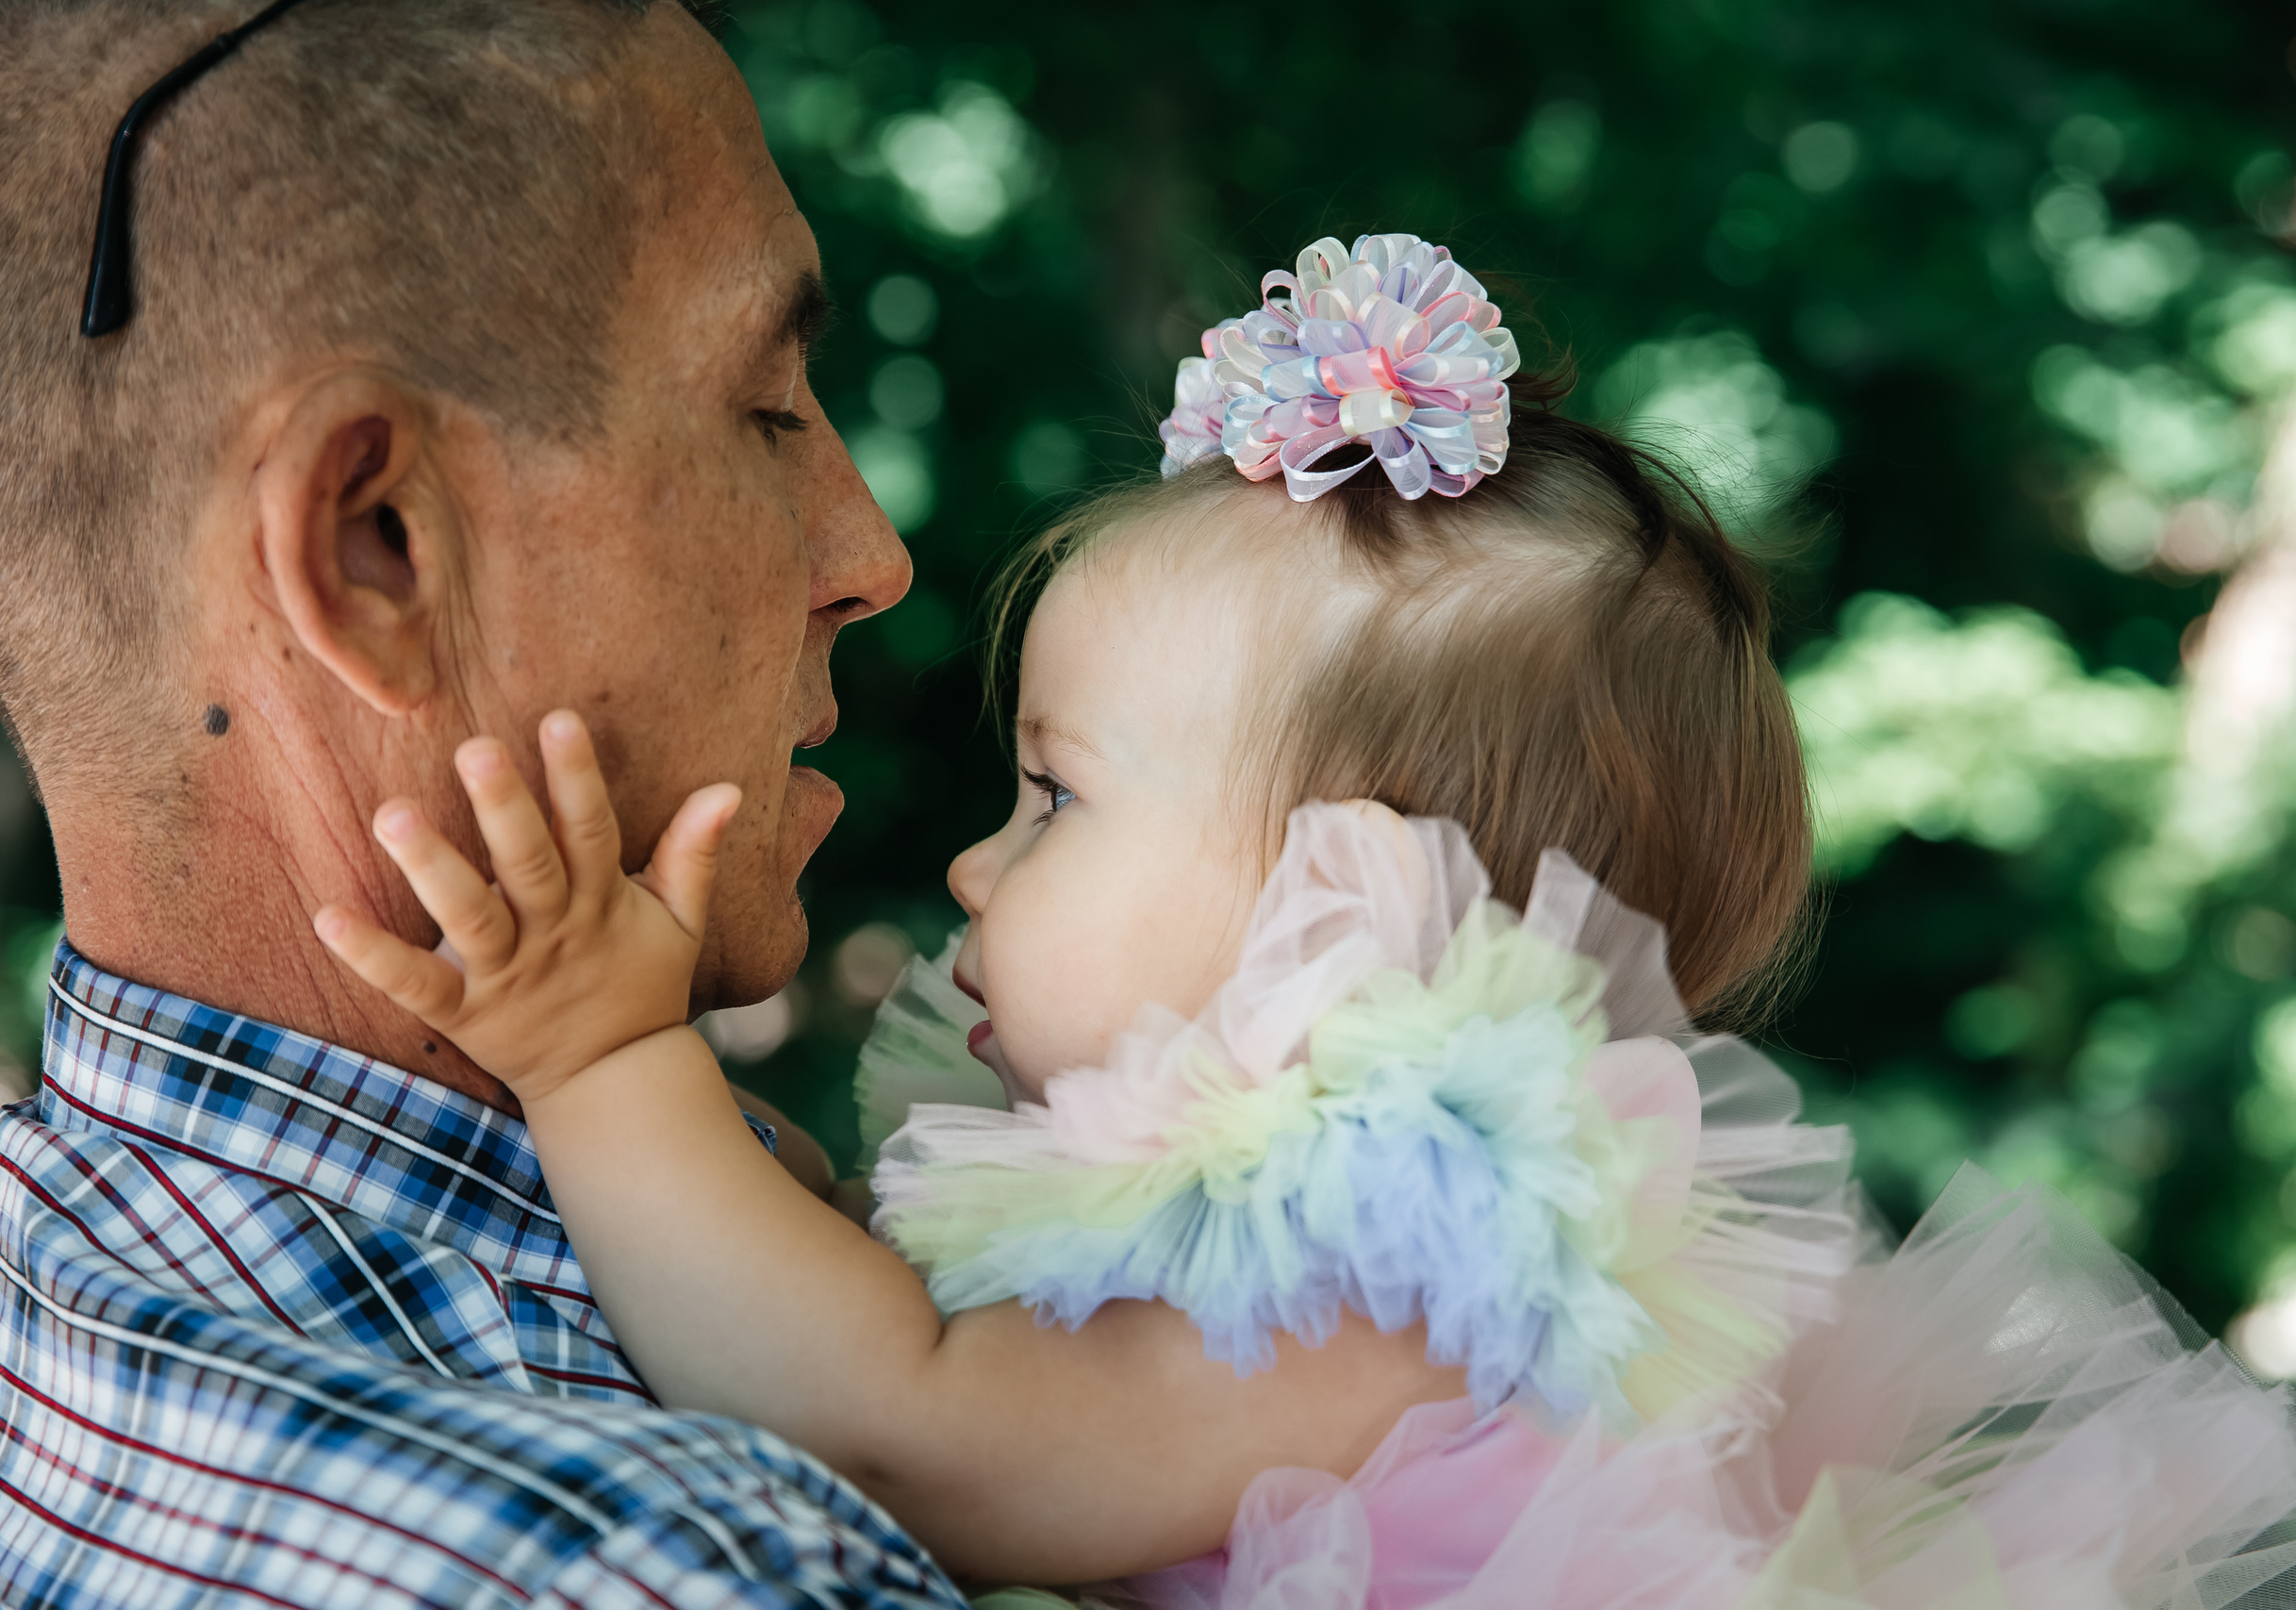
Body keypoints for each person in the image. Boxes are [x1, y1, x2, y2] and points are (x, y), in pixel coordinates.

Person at [325, 233, 2296, 1607]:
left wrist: (603, 1062)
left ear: (1342, 909)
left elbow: (906, 1429)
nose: (974, 868)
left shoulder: (1400, 1252)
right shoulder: (1284, 1212)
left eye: (1056, 797)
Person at [0, 2, 964, 1604]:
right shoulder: (665, 1570)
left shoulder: (97, 1286)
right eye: (766, 406)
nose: (873, 559)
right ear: (374, 548)